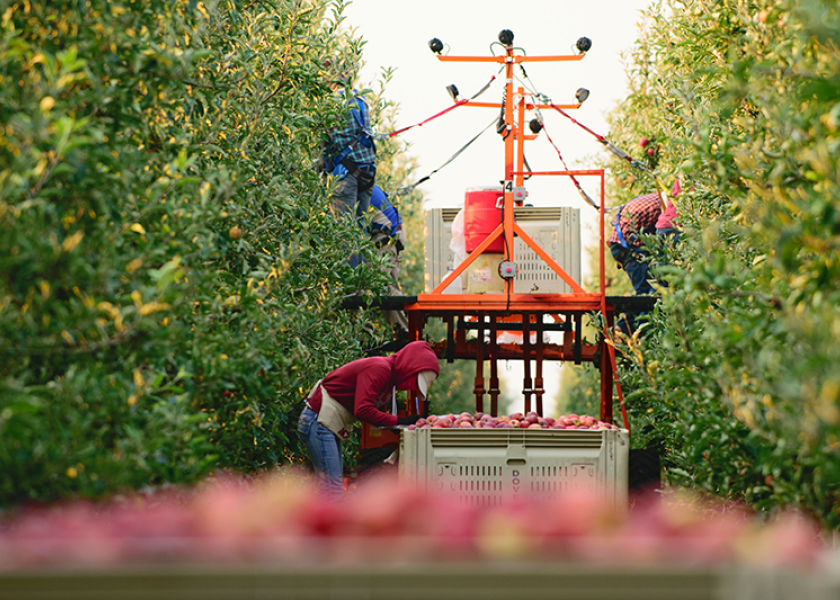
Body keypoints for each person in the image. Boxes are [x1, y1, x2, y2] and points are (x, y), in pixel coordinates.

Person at [297, 341, 439, 500]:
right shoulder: (380, 369)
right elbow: (363, 409)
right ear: (408, 368)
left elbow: (376, 412)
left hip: (324, 423)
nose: (410, 387)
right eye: (414, 381)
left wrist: (396, 424)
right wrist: (399, 420)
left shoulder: (389, 380)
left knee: (331, 491)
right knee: (333, 492)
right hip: (318, 420)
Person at [323, 72, 377, 268]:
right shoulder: (362, 100)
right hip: (367, 173)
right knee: (360, 230)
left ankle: (349, 288)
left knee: (344, 231)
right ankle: (362, 284)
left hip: (346, 174)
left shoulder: (333, 102)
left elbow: (326, 137)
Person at [369, 185, 408, 333]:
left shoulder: (347, 183)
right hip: (392, 234)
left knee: (371, 284)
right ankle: (402, 330)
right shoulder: (361, 176)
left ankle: (364, 335)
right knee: (387, 287)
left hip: (387, 236)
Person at [608, 192, 663, 295]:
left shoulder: (658, 203)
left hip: (622, 246)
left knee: (644, 290)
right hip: (625, 246)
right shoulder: (660, 205)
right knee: (646, 289)